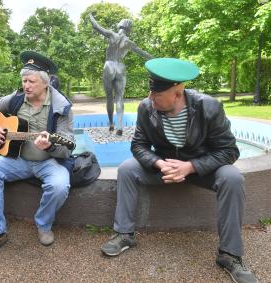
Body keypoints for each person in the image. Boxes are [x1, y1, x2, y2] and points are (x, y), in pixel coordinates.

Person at [100, 58, 258, 283]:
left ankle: (229, 254)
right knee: (126, 169)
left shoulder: (208, 106)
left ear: (177, 93)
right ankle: (124, 234)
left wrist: (191, 166)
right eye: (151, 92)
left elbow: (229, 151)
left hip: (200, 167)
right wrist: (158, 163)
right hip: (164, 165)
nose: (150, 98)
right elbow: (138, 145)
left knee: (232, 178)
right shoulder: (147, 107)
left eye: (157, 95)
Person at [0, 51, 74, 263]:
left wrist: (50, 147)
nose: (26, 85)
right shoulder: (18, 98)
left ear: (45, 83)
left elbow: (67, 148)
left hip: (49, 162)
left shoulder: (62, 107)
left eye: (31, 81)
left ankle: (43, 224)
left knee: (59, 185)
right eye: (23, 80)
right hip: (18, 159)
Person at [89, 13, 153, 136]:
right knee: (119, 98)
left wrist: (91, 16)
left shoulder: (111, 34)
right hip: (120, 67)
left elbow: (96, 26)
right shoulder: (129, 42)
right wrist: (155, 59)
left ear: (120, 26)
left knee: (109, 97)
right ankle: (120, 126)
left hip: (109, 65)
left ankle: (111, 124)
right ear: (129, 29)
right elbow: (143, 53)